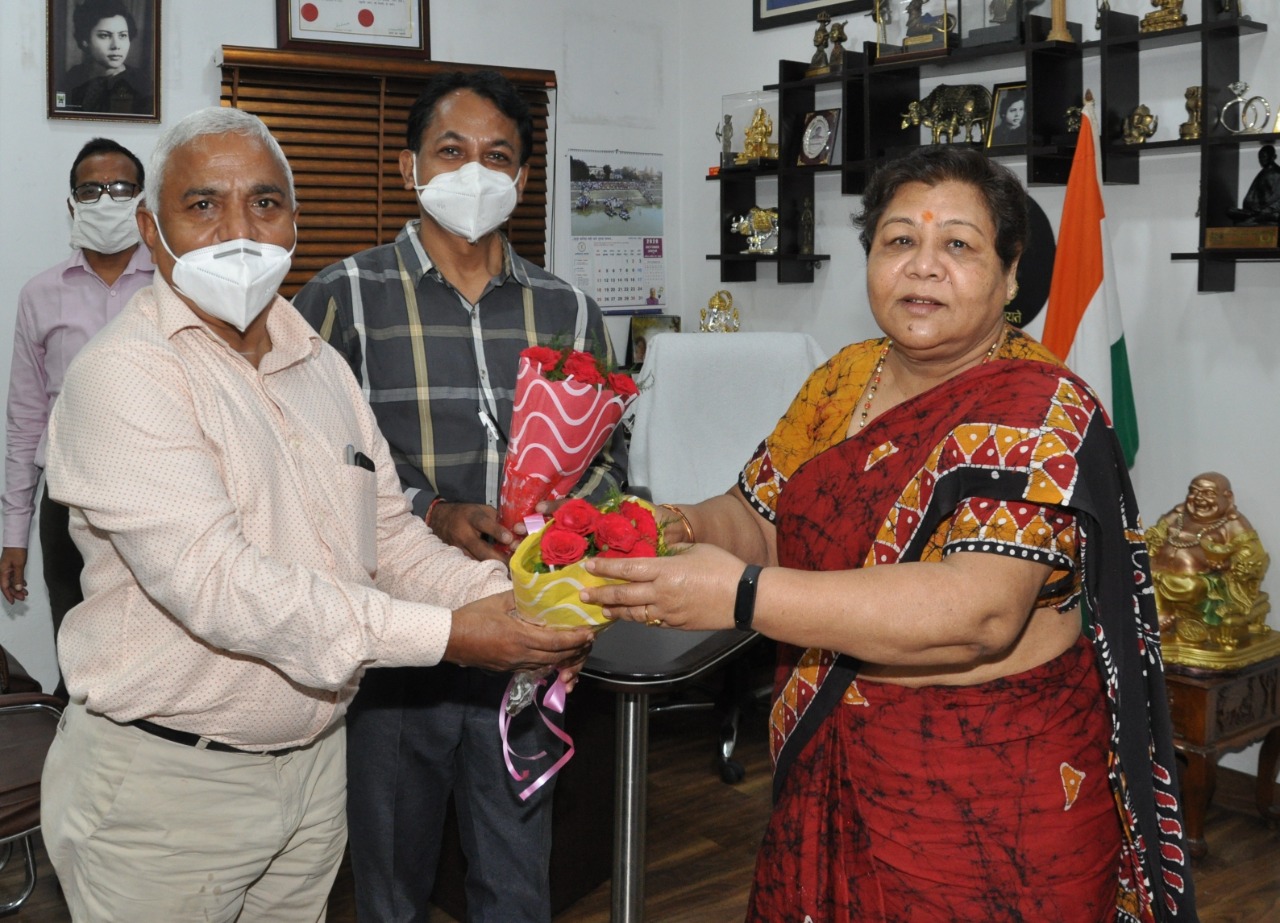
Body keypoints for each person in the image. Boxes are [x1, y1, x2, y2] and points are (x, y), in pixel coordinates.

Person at [584, 147, 1197, 921]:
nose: (924, 265)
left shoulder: (1041, 407)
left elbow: (978, 612)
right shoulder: (844, 379)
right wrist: (678, 525)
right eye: (900, 239)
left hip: (994, 804)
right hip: (835, 761)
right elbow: (758, 515)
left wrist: (740, 596)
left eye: (958, 244)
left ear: (1011, 275)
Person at [38, 106, 594, 922]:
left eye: (264, 203)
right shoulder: (123, 373)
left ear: (295, 222)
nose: (239, 231)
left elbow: (389, 540)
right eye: (203, 205)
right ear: (153, 233)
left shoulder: (319, 363)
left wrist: (515, 601)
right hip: (165, 792)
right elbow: (221, 586)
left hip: (312, 774)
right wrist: (453, 634)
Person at [292, 71, 627, 923]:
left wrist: (561, 529)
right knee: (391, 880)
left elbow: (607, 459)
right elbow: (305, 464)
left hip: (526, 631)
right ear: (409, 167)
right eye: (451, 150)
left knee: (517, 877)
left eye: (497, 156)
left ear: (522, 178)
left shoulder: (570, 310)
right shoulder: (339, 299)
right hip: (400, 644)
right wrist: (432, 511)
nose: (474, 171)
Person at [1, 138, 153, 701]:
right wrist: (13, 534)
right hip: (68, 500)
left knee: (158, 652)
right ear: (72, 205)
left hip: (160, 492)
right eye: (91, 190)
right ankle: (74, 743)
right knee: (79, 652)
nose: (105, 200)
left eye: (120, 188)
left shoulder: (177, 285)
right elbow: (25, 419)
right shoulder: (40, 294)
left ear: (143, 202)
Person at [1147, 471, 1270, 645]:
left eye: (1208, 493)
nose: (1199, 498)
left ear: (1228, 497)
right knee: (1140, 578)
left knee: (1190, 587)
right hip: (1156, 571)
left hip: (1200, 580)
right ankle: (1161, 613)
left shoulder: (1232, 523)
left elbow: (1251, 552)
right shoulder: (1178, 514)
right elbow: (1154, 534)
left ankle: (1167, 615)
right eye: (1194, 491)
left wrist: (1227, 563)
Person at [60, 0, 152, 116]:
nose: (116, 46)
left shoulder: (142, 85)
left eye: (123, 35)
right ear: (85, 40)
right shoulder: (73, 77)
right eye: (104, 35)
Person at [1226, 143, 1280, 225]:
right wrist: (1252, 207)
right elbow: (1252, 195)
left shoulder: (1277, 173)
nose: (1261, 160)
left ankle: (1255, 219)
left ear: (1273, 157)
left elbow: (1276, 197)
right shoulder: (1263, 173)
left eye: (1264, 157)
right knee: (1230, 211)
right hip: (1255, 211)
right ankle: (1254, 218)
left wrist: (1263, 208)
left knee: (1273, 215)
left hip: (1269, 210)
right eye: (1260, 157)